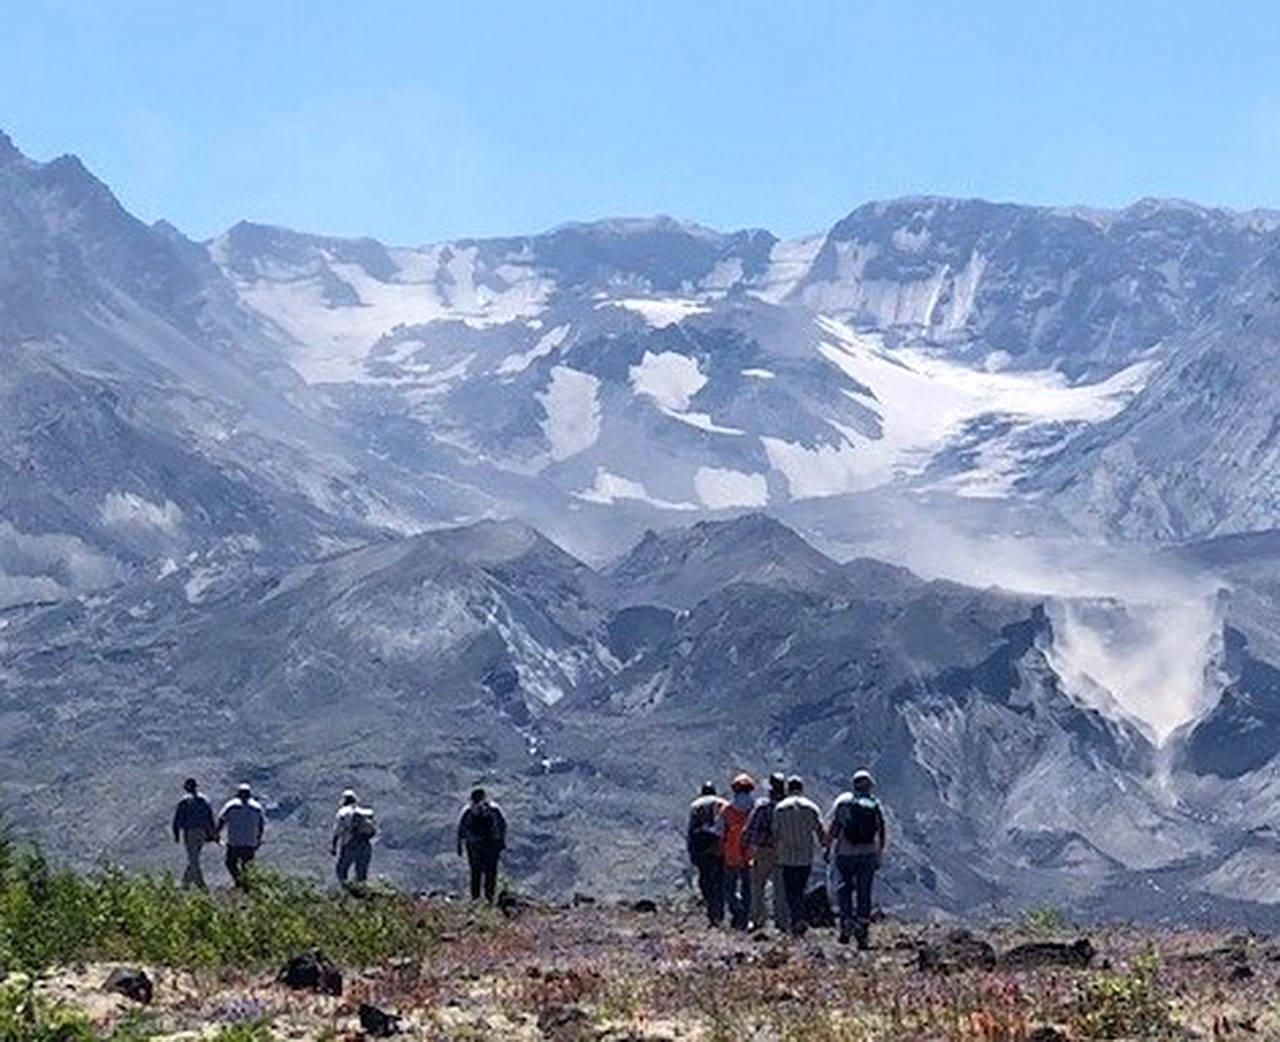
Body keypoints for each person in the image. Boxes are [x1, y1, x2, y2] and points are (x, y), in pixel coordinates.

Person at [828, 769, 887, 948]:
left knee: (844, 888)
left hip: (845, 852)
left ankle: (846, 923)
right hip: (868, 853)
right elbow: (881, 830)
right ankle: (862, 930)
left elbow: (835, 827)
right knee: (864, 892)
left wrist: (827, 846)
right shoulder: (874, 804)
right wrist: (879, 852)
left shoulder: (845, 803)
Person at [772, 775, 827, 937]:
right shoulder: (811, 807)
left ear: (788, 789)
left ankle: (797, 920)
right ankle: (799, 919)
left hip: (787, 856)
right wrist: (825, 847)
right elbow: (820, 832)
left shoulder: (780, 808)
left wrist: (776, 853)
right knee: (801, 888)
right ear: (802, 788)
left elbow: (775, 835)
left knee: (791, 891)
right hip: (805, 856)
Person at [743, 772, 788, 932]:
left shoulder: (763, 806)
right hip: (784, 852)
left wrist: (747, 845)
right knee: (781, 888)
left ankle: (757, 920)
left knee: (757, 885)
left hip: (764, 851)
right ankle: (782, 922)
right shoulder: (787, 806)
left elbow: (749, 830)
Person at [686, 781, 727, 926]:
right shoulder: (723, 804)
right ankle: (720, 912)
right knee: (721, 882)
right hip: (720, 848)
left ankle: (712, 914)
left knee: (706, 882)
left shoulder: (696, 805)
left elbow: (692, 831)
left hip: (702, 849)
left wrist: (692, 852)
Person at [457, 788, 507, 903]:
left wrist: (460, 846)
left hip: (474, 845)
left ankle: (475, 898)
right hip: (491, 844)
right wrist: (501, 843)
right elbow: (502, 825)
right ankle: (490, 897)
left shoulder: (468, 810)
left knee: (475, 872)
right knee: (491, 872)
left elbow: (461, 829)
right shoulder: (494, 809)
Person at [720, 773, 756, 930]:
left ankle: (738, 911)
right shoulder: (755, 809)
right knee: (748, 888)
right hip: (750, 854)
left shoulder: (727, 810)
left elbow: (719, 831)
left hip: (731, 855)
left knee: (729, 889)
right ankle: (745, 917)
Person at [217, 783, 265, 888]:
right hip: (249, 842)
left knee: (230, 863)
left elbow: (222, 820)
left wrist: (217, 834)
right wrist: (258, 839)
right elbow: (261, 825)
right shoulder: (256, 807)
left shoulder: (231, 806)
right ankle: (246, 885)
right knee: (247, 865)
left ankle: (238, 881)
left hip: (234, 841)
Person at [171, 777, 216, 889]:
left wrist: (176, 834)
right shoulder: (205, 800)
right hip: (202, 832)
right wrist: (212, 833)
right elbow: (210, 819)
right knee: (194, 858)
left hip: (190, 832)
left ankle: (201, 885)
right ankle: (185, 883)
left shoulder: (184, 801)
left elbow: (178, 819)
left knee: (193, 859)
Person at [331, 789, 377, 885]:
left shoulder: (343, 813)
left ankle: (346, 894)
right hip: (365, 844)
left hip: (349, 844)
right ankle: (363, 894)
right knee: (361, 874)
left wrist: (334, 847)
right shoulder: (364, 812)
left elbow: (337, 831)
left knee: (341, 870)